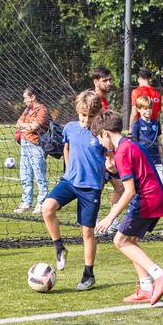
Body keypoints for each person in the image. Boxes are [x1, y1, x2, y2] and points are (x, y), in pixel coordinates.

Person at [92, 110, 163, 305]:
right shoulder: (130, 144)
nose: (101, 144)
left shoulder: (122, 151)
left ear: (104, 133)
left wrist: (109, 217)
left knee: (120, 240)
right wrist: (114, 169)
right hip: (155, 197)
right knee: (130, 240)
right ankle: (146, 287)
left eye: (99, 139)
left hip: (147, 199)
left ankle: (159, 274)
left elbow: (128, 191)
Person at [42, 91, 105, 291]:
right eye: (83, 115)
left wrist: (107, 175)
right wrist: (69, 169)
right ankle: (59, 247)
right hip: (70, 181)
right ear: (78, 111)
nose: (86, 120)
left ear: (97, 114)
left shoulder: (102, 133)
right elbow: (67, 147)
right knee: (47, 208)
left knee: (87, 231)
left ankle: (88, 275)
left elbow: (110, 158)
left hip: (91, 188)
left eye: (90, 116)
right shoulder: (69, 127)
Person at [90, 66, 124, 234]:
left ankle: (113, 220)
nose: (109, 83)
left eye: (110, 80)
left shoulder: (104, 99)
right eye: (105, 80)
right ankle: (94, 223)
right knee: (98, 189)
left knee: (121, 187)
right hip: (99, 152)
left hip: (108, 151)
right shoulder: (93, 100)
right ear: (96, 82)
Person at [14, 86, 50, 214]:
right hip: (24, 144)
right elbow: (18, 123)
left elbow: (34, 127)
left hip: (36, 146)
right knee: (25, 176)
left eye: (25, 98)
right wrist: (26, 126)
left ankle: (41, 203)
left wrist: (25, 127)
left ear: (33, 97)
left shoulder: (42, 110)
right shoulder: (27, 109)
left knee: (40, 176)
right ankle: (26, 203)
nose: (24, 101)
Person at [130, 96, 163, 184]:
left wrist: (161, 157)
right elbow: (134, 145)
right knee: (146, 184)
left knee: (161, 183)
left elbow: (159, 141)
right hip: (143, 160)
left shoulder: (156, 123)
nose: (148, 111)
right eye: (145, 109)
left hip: (156, 159)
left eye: (150, 108)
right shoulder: (136, 125)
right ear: (139, 109)